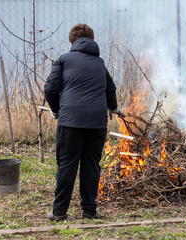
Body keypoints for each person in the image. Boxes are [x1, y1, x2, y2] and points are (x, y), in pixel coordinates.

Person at [44, 23, 125, 221]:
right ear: (92, 41)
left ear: (71, 42)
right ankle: (89, 210)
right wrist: (112, 107)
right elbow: (111, 89)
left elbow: (50, 89)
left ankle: (59, 212)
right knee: (91, 165)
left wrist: (56, 110)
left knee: (67, 165)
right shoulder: (100, 63)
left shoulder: (63, 60)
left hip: (70, 121)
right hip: (97, 122)